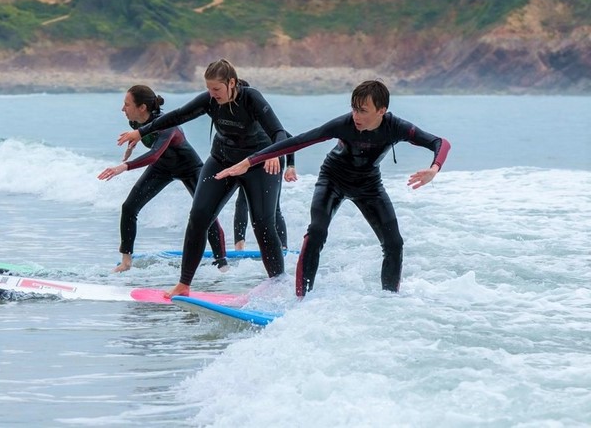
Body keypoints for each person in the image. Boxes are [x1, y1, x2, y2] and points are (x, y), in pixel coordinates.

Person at [215, 79, 451, 296]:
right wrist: (249, 161)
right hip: (333, 179)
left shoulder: (397, 127)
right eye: (354, 108)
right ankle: (301, 299)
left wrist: (434, 169)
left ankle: (389, 299)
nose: (356, 115)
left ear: (382, 111)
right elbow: (298, 141)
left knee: (394, 244)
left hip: (369, 185)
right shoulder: (344, 125)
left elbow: (440, 142)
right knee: (317, 232)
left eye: (363, 110)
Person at [118, 59, 291, 297]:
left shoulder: (251, 98)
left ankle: (278, 285)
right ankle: (184, 284)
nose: (212, 94)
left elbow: (279, 131)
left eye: (217, 89)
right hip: (221, 160)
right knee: (198, 217)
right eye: (209, 89)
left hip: (258, 163)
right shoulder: (210, 100)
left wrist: (274, 154)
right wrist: (141, 131)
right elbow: (177, 116)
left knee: (262, 223)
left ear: (232, 83)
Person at [98, 85, 228, 273]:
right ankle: (126, 262)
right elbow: (148, 142)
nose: (122, 109)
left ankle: (221, 264)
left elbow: (153, 154)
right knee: (129, 208)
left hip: (189, 167)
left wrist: (123, 167)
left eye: (126, 104)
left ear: (142, 107)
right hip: (162, 169)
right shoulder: (135, 123)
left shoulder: (167, 126)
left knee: (205, 214)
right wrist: (132, 145)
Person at [232, 155, 297, 250]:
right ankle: (239, 247)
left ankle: (282, 247)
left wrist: (291, 165)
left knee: (274, 206)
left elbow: (286, 140)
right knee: (242, 201)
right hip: (253, 156)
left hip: (273, 159)